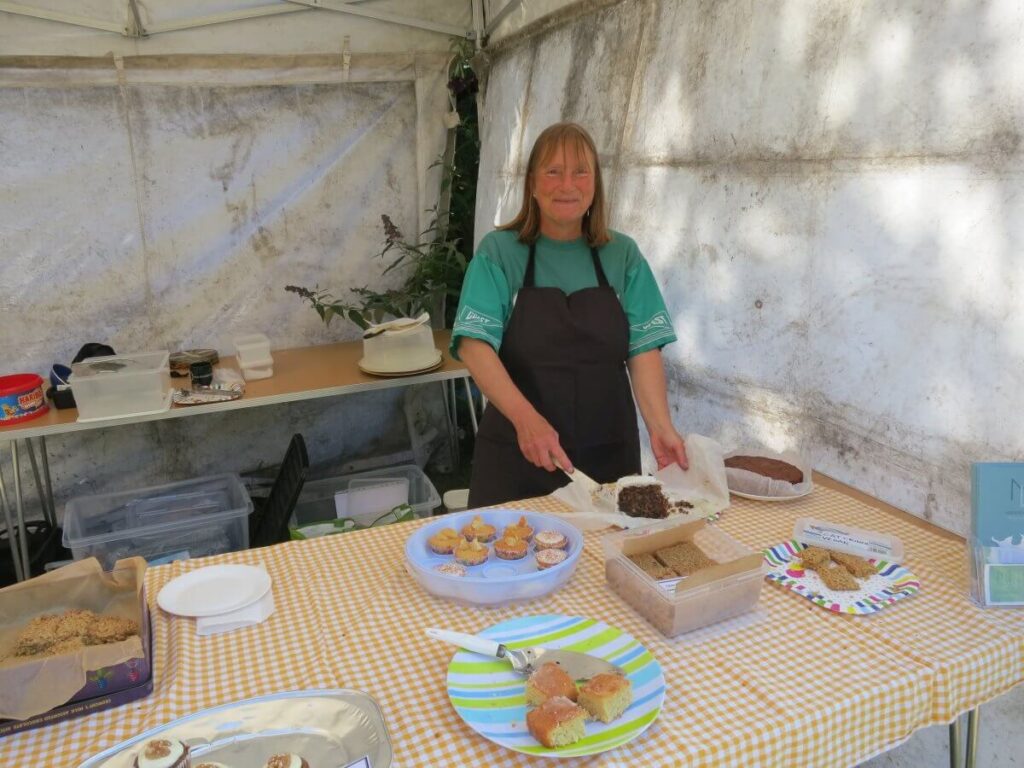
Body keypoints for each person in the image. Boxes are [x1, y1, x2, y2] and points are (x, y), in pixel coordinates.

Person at [452, 122, 687, 507]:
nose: (568, 184)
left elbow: (643, 349)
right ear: (531, 183)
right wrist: (527, 422)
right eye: (553, 171)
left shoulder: (622, 255)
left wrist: (660, 427)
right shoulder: (500, 253)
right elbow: (474, 346)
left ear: (595, 183)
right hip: (519, 454)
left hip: (608, 458)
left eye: (581, 171)